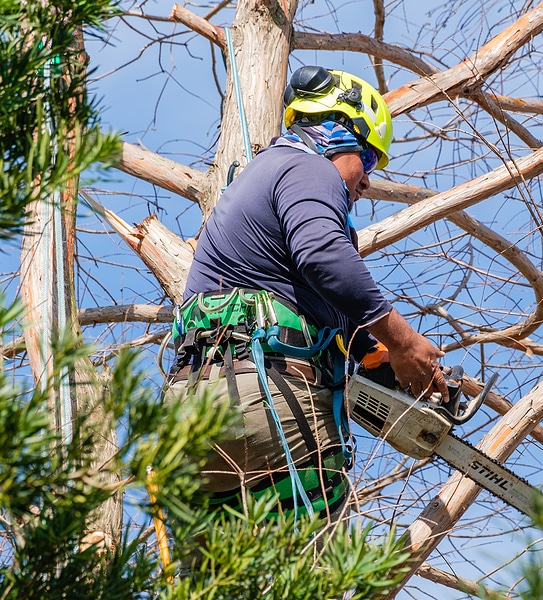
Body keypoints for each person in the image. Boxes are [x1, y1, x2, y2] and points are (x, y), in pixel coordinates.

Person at [165, 66, 449, 523]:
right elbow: (324, 256)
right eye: (369, 159)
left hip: (188, 418)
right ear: (337, 133)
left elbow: (320, 297)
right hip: (264, 397)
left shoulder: (259, 182)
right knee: (310, 573)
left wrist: (377, 358)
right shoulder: (307, 166)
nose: (367, 181)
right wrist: (405, 342)